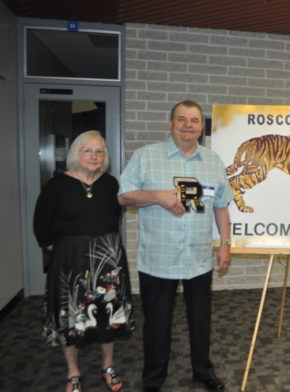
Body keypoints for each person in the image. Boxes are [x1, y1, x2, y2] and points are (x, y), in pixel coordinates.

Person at [118, 100, 232, 392]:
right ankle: (153, 379)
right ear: (170, 124)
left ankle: (203, 371)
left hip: (197, 258)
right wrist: (158, 196)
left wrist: (225, 245)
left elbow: (220, 206)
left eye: (194, 120)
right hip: (158, 258)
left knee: (201, 321)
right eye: (181, 119)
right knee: (156, 324)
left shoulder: (213, 161)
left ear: (201, 126)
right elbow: (124, 196)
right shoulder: (146, 156)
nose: (188, 125)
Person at [33, 130, 134, 392]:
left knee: (108, 315)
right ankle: (73, 371)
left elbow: (114, 219)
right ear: (75, 153)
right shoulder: (56, 185)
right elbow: (41, 226)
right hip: (69, 262)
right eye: (87, 150)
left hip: (107, 260)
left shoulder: (111, 184)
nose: (94, 155)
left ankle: (108, 366)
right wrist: (62, 249)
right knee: (70, 317)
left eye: (99, 151)